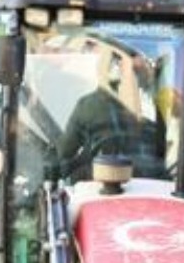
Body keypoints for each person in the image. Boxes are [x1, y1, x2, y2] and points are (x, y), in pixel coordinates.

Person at [56, 52, 165, 182]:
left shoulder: (89, 105)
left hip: (112, 189)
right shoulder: (159, 106)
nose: (149, 65)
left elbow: (64, 155)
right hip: (152, 190)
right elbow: (64, 156)